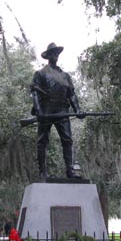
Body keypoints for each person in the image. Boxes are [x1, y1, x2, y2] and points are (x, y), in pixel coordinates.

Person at [30, 42, 83, 181]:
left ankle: (70, 170)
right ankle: (42, 172)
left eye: (57, 53)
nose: (55, 55)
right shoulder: (40, 73)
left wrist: (77, 110)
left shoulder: (65, 76)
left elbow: (71, 94)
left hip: (62, 110)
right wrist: (39, 110)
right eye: (53, 53)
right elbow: (34, 93)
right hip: (46, 110)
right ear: (48, 56)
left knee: (67, 140)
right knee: (42, 141)